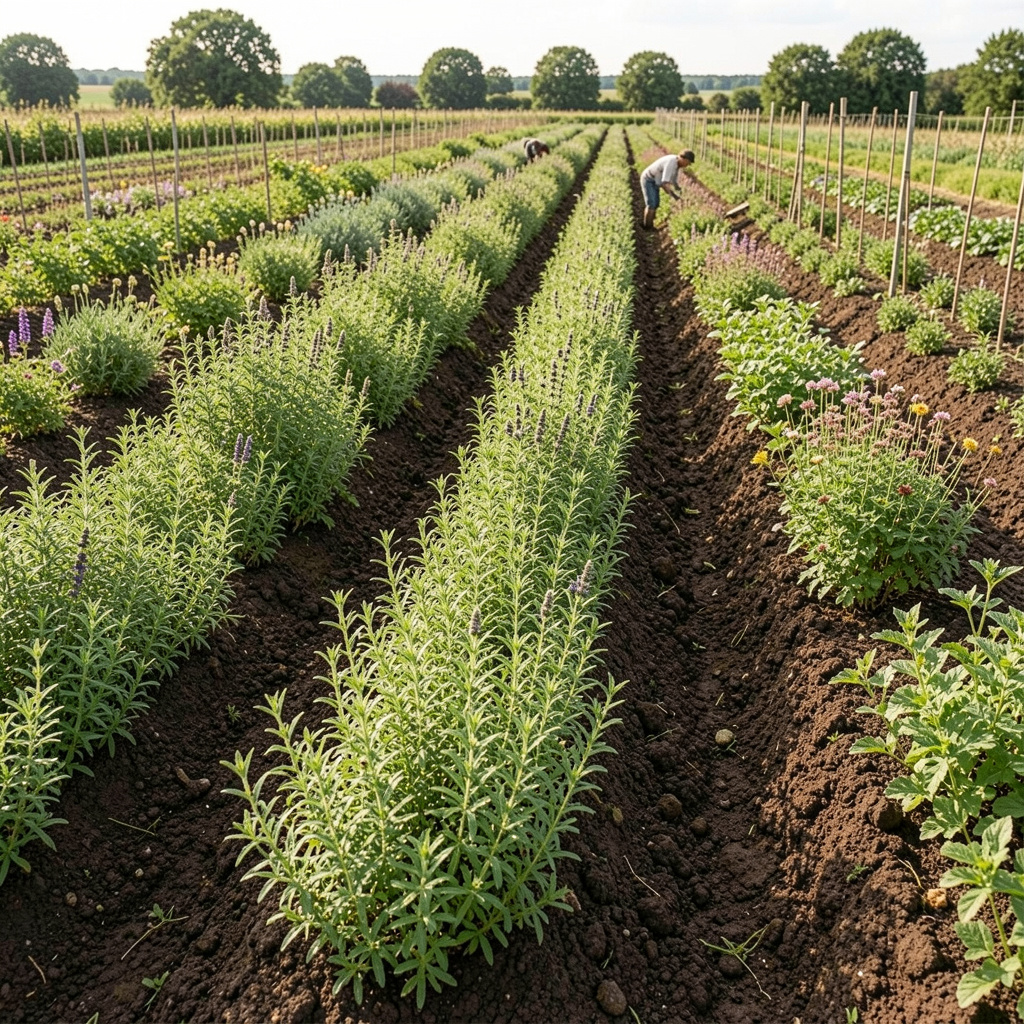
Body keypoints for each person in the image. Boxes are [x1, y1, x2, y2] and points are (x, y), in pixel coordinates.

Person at [640, 149, 695, 229]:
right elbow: (664, 183)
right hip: (648, 179)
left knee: (656, 203)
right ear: (683, 159)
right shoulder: (671, 163)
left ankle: (650, 225)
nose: (688, 165)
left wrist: (679, 190)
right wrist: (675, 197)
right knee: (651, 204)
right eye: (688, 162)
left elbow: (673, 181)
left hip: (655, 180)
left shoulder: (676, 164)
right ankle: (647, 227)